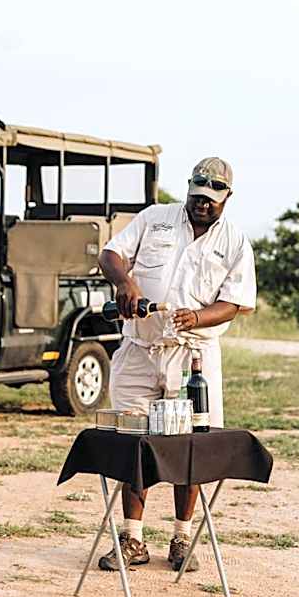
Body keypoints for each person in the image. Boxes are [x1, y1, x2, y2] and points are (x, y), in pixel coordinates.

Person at [96, 157, 257, 572]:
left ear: (227, 198)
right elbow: (110, 254)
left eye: (211, 199)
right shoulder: (155, 219)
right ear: (188, 188)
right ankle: (132, 538)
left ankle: (182, 538)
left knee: (190, 447)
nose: (202, 203)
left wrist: (198, 316)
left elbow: (235, 302)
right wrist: (125, 282)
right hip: (140, 349)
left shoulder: (235, 242)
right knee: (134, 443)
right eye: (196, 195)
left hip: (193, 355)